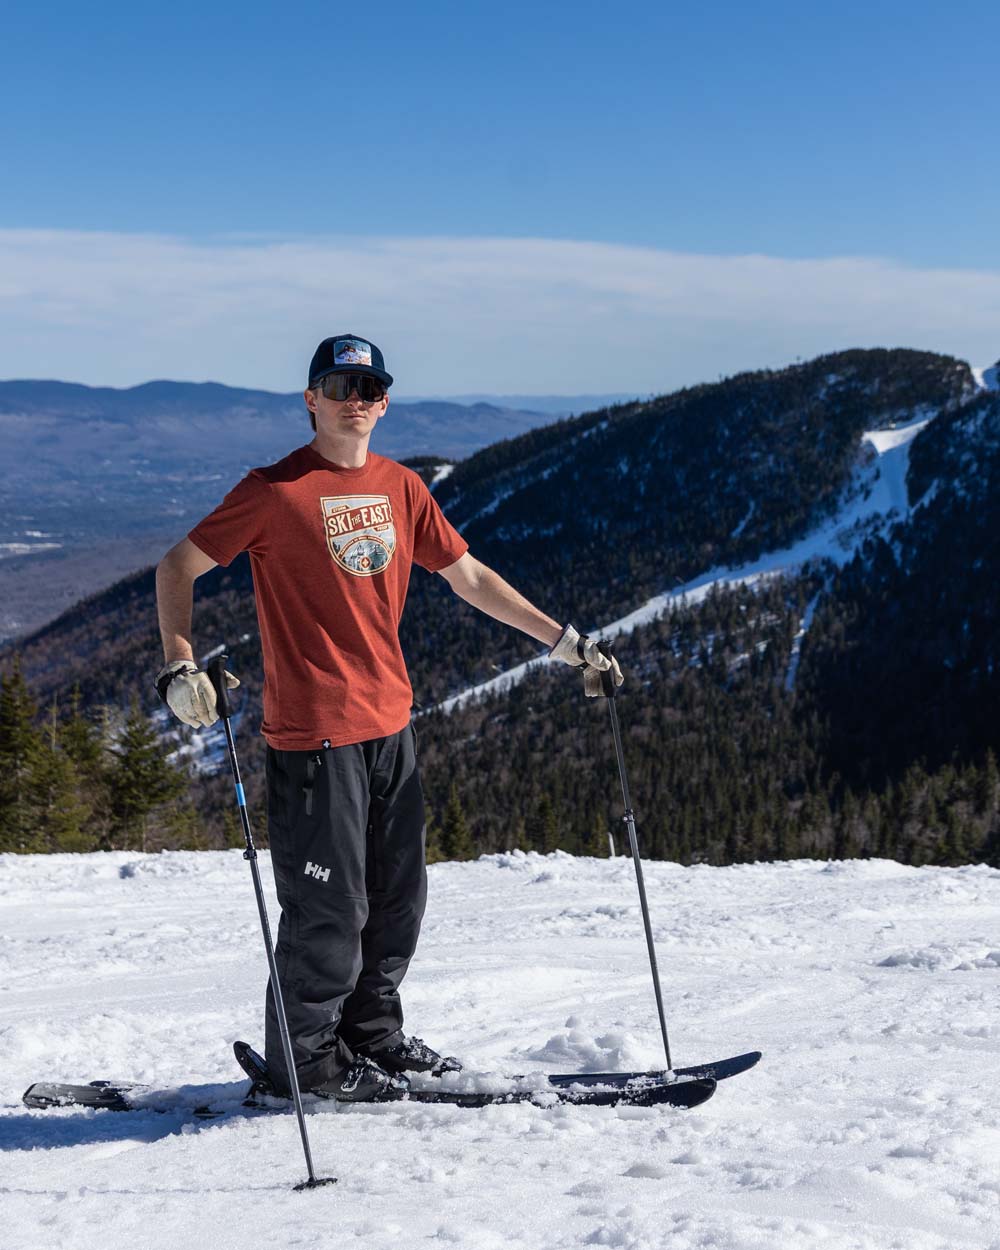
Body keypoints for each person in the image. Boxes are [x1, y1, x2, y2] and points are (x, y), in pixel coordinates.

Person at [154, 333, 623, 1103]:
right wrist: (178, 661)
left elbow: (468, 575)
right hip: (314, 736)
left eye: (370, 388)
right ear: (311, 399)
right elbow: (178, 565)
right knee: (329, 910)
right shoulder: (274, 490)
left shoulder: (401, 487)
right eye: (340, 386)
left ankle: (371, 1037)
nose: (356, 400)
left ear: (385, 401)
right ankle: (303, 1068)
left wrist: (564, 643)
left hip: (390, 724)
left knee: (398, 900)